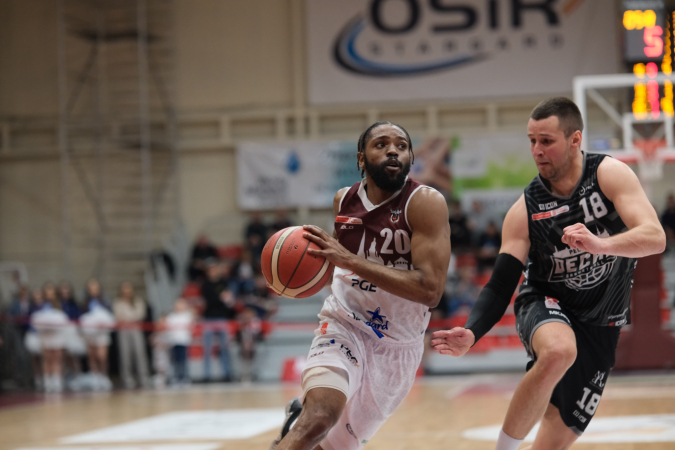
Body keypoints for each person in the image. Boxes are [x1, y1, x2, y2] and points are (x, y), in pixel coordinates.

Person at [431, 97, 666, 450]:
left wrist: (601, 245)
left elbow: (655, 237)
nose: (537, 150)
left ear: (575, 139)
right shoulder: (525, 209)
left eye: (546, 140)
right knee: (558, 351)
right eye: (532, 140)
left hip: (602, 322)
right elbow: (500, 285)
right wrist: (473, 331)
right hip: (546, 302)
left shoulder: (608, 174)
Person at [270, 121, 451, 450]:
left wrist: (350, 261)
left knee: (331, 446)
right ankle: (303, 420)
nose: (393, 150)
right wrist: (303, 274)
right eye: (381, 144)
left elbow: (430, 291)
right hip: (344, 324)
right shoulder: (344, 200)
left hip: (397, 346)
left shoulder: (425, 202)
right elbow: (335, 263)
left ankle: (293, 425)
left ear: (411, 158)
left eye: (401, 145)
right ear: (361, 159)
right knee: (318, 420)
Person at [200, 260, 236, 381]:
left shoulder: (223, 282)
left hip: (221, 317)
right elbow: (210, 300)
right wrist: (221, 298)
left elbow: (228, 299)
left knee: (224, 347)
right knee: (207, 349)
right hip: (209, 318)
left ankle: (227, 373)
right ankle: (207, 375)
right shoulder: (205, 285)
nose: (213, 272)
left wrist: (223, 298)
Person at [113, 282, 150, 389]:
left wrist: (128, 319)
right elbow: (118, 316)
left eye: (128, 289)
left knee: (140, 353)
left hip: (136, 329)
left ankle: (144, 377)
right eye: (124, 289)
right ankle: (127, 379)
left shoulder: (138, 301)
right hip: (123, 331)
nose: (127, 291)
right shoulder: (118, 302)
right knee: (125, 355)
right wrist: (129, 319)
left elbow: (140, 314)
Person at [165, 297, 194, 385]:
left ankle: (185, 377)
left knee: (183, 360)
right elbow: (168, 328)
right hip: (174, 342)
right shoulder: (171, 316)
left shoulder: (187, 315)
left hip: (183, 341)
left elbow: (191, 326)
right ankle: (177, 377)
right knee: (175, 361)